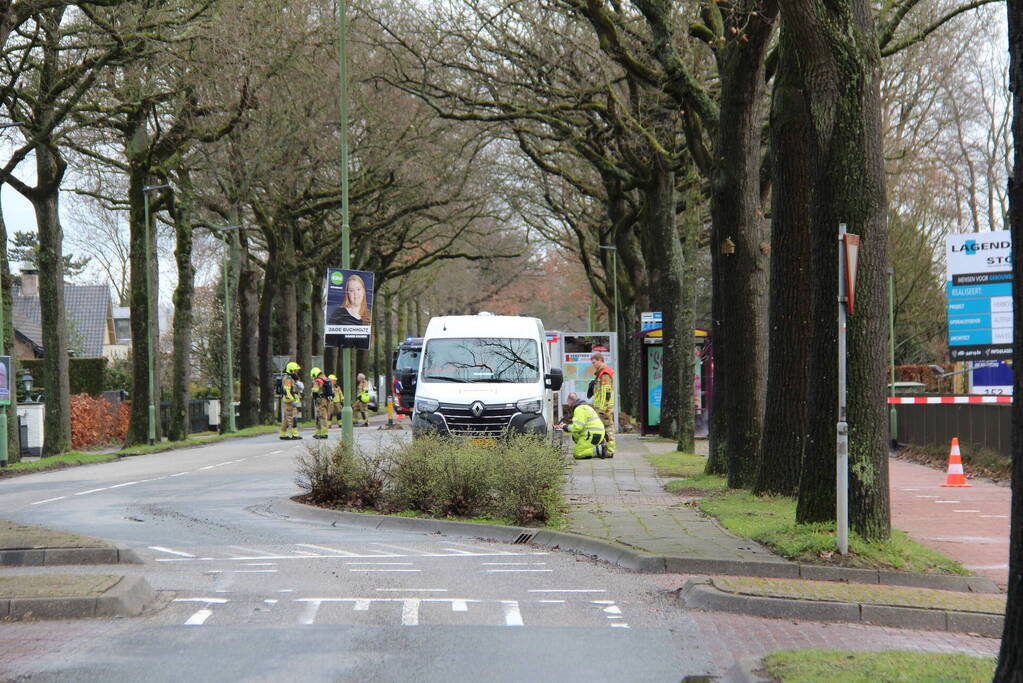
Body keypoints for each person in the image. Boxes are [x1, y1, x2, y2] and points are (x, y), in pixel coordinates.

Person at [556, 392, 607, 459]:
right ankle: (591, 448)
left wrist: (565, 427)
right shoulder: (585, 407)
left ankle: (600, 449)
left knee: (578, 453)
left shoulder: (579, 409)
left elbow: (577, 427)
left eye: (568, 403)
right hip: (598, 433)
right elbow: (580, 425)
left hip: (593, 435)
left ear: (571, 401)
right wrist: (567, 426)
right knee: (575, 435)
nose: (568, 405)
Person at [590, 352, 616, 457]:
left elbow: (606, 393)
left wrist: (602, 409)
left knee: (608, 429)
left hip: (604, 409)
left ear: (601, 360)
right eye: (592, 363)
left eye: (594, 362)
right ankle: (604, 449)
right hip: (601, 408)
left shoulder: (604, 374)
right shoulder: (600, 373)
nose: (593, 365)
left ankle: (610, 451)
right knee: (602, 429)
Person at [278, 361, 303, 440]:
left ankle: (282, 434)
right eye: (296, 370)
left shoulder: (291, 378)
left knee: (287, 418)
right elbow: (287, 391)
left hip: (290, 401)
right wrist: (292, 400)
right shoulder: (288, 379)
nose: (297, 371)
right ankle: (294, 434)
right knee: (292, 418)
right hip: (290, 402)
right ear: (292, 370)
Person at [310, 367, 332, 439]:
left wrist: (313, 394)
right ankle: (318, 432)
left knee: (322, 417)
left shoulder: (318, 380)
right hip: (326, 400)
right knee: (320, 416)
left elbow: (315, 391)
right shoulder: (326, 379)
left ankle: (324, 433)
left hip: (320, 400)